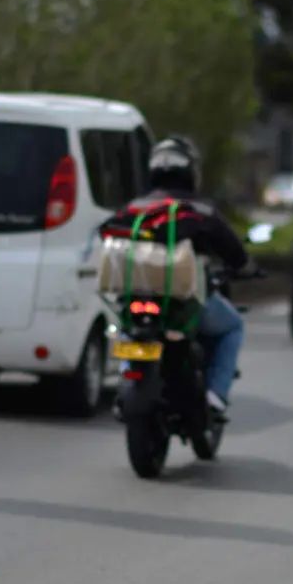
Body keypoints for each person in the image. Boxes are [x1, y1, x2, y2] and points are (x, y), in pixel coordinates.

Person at [104, 136, 249, 414]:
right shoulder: (200, 212)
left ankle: (126, 377)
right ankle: (216, 395)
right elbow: (236, 254)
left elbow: (106, 235)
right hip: (185, 304)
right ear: (191, 171)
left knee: (125, 331)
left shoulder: (132, 210)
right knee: (233, 327)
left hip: (135, 301)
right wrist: (244, 267)